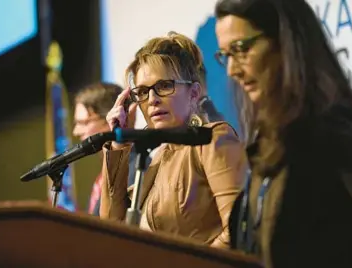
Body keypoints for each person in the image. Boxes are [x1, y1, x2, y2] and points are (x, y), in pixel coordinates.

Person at [214, 0, 352, 267]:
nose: (232, 70)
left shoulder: (328, 123)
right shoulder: (268, 136)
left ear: (285, 41)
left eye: (241, 49)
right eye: (225, 55)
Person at [99, 32, 247, 248]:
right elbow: (113, 228)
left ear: (194, 93)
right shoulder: (153, 159)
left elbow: (238, 232)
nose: (152, 100)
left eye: (164, 86)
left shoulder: (213, 138)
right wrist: (118, 144)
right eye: (142, 91)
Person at [73, 82, 151, 216]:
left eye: (83, 123)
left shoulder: (138, 167)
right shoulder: (104, 173)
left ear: (111, 118)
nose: (76, 131)